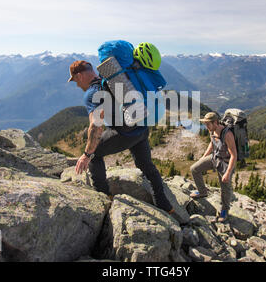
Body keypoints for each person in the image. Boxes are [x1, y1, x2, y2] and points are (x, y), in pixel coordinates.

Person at [66, 60, 182, 221]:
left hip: (124, 134)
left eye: (76, 81)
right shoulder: (111, 80)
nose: (77, 85)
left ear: (79, 75)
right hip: (141, 128)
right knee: (147, 166)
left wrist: (86, 154)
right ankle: (164, 205)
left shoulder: (92, 93)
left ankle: (103, 198)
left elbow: (95, 126)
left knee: (95, 154)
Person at [189, 112, 237, 222]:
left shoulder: (227, 134)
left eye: (208, 124)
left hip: (225, 162)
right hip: (215, 157)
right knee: (194, 169)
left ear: (215, 122)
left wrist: (228, 172)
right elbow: (212, 144)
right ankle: (202, 192)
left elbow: (234, 155)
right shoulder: (212, 130)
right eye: (205, 123)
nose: (206, 126)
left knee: (225, 187)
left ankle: (224, 210)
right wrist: (203, 157)